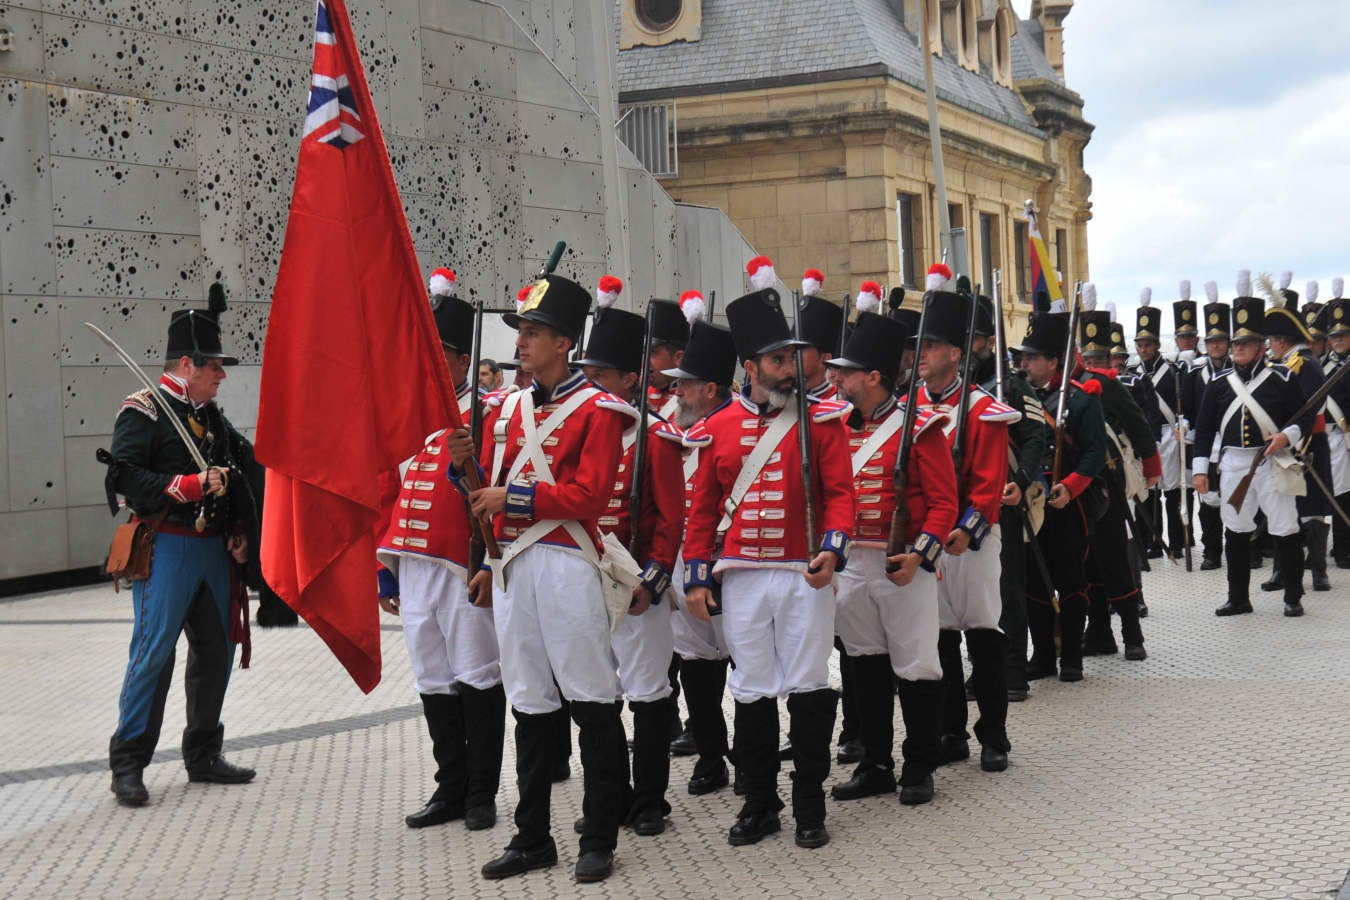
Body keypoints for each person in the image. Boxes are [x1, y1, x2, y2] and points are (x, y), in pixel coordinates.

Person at [447, 274, 634, 883]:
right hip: (512, 566)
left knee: (591, 698)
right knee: (528, 700)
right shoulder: (509, 407)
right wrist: (464, 469)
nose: (521, 343)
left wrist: (511, 496)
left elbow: (589, 495)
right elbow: (485, 492)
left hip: (566, 564)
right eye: (521, 332)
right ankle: (533, 838)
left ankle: (599, 836)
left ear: (563, 342)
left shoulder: (600, 411)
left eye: (532, 332)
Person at [682, 286, 855, 850]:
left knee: (807, 686)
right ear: (751, 366)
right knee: (752, 689)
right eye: (779, 360)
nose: (791, 369)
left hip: (804, 574)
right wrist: (696, 575)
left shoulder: (823, 420)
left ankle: (810, 802)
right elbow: (703, 511)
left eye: (794, 358)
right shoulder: (716, 428)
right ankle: (759, 802)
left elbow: (841, 495)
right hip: (741, 578)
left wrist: (833, 547)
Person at [103, 285, 258, 807]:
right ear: (188, 364)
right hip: (166, 547)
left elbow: (243, 467)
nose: (222, 374)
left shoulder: (210, 415)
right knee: (153, 655)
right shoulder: (142, 410)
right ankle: (128, 763)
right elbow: (125, 478)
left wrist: (240, 522)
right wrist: (189, 486)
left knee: (217, 651)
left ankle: (203, 754)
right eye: (215, 365)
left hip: (212, 551)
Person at [376, 277, 504, 832]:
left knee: (477, 675)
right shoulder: (408, 416)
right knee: (433, 678)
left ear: (459, 359)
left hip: (462, 564)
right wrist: (385, 573)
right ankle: (449, 787)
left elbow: (497, 489)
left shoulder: (491, 413)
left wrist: (485, 564)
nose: (423, 365)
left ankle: (481, 793)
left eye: (435, 355)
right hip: (414, 566)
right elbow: (388, 493)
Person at [824, 308, 956, 805]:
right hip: (851, 562)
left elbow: (945, 503)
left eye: (847, 371)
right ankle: (875, 763)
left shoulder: (919, 428)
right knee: (864, 665)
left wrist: (920, 556)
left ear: (873, 377)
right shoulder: (835, 427)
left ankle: (919, 765)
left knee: (917, 665)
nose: (837, 378)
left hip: (904, 565)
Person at [575, 305, 686, 837]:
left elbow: (670, 518)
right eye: (586, 373)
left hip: (636, 583)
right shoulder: (573, 433)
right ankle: (609, 794)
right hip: (580, 579)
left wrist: (654, 579)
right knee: (597, 692)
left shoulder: (655, 436)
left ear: (628, 379)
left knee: (646, 691)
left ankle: (649, 800)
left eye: (600, 376)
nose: (590, 384)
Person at [912, 286, 1020, 773]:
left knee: (981, 633)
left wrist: (966, 529)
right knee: (937, 639)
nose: (922, 355)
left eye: (931, 346)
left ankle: (993, 734)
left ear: (955, 354)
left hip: (970, 542)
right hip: (927, 544)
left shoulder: (980, 408)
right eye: (921, 346)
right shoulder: (906, 408)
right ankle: (950, 731)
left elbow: (989, 480)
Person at [1193, 280, 1312, 617]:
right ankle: (1239, 598)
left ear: (1262, 346)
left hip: (1272, 461)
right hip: (1233, 464)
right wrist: (1201, 470)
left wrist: (1285, 437)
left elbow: (1303, 420)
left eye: (1247, 343)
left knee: (1285, 528)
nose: (1239, 348)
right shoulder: (1218, 384)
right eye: (1237, 343)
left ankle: (1292, 595)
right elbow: (1203, 430)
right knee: (1236, 529)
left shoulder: (1281, 378)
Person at [662, 312, 740, 796]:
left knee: (750, 668)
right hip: (682, 567)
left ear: (710, 389)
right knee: (695, 663)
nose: (676, 394)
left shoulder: (739, 429)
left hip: (732, 567)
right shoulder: (676, 433)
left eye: (685, 386)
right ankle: (711, 757)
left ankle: (754, 759)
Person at [1016, 310, 1108, 683]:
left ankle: (1071, 656)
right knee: (1034, 583)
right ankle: (1041, 656)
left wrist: (1070, 487)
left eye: (1031, 357)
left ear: (1053, 362)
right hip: (1032, 502)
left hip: (1066, 502)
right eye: (1023, 357)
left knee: (1070, 581)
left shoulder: (1082, 399)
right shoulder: (1019, 397)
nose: (1023, 364)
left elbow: (1094, 452)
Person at [971, 295, 1050, 703]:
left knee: (1007, 588)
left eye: (973, 340)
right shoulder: (956, 391)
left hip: (1004, 500)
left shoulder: (1013, 386)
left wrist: (1019, 479)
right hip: (965, 504)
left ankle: (1014, 670)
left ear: (986, 340)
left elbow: (1038, 437)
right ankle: (982, 671)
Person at [1076, 302, 1161, 662]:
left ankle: (1132, 634)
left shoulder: (1110, 385)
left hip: (1107, 481)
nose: (1095, 365)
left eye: (1099, 358)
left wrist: (1151, 464)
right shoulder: (1070, 386)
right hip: (1078, 484)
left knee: (1113, 559)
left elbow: (1137, 422)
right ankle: (1098, 633)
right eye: (1089, 357)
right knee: (1086, 564)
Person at [1262, 278, 1334, 595]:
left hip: (1309, 443)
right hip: (1286, 443)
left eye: (1274, 340)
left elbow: (1310, 405)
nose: (1270, 345)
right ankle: (1283, 570)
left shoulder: (1304, 363)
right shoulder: (1279, 364)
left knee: (1313, 509)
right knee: (1284, 509)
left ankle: (1318, 571)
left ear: (1282, 340)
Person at [1128, 292, 1187, 559]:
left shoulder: (1173, 372)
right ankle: (1152, 541)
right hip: (1146, 437)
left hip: (1169, 435)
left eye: (1148, 345)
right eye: (1140, 345)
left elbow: (1183, 405)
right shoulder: (1133, 376)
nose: (1143, 349)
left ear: (1156, 345)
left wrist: (1182, 425)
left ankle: (1176, 542)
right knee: (1150, 494)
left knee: (1173, 494)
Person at [1185, 284, 1233, 570]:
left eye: (1221, 341)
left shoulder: (1236, 373)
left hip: (1231, 442)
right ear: (1205, 344)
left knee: (1239, 497)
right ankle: (1212, 551)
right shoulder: (1194, 375)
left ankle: (1245, 548)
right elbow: (1190, 409)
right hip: (1206, 443)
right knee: (1208, 500)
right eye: (1212, 341)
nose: (1216, 345)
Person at [1321, 285, 1350, 569]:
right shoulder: (1324, 369)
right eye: (1335, 336)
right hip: (1334, 439)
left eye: (1343, 335)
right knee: (1340, 494)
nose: (1338, 340)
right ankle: (1341, 551)